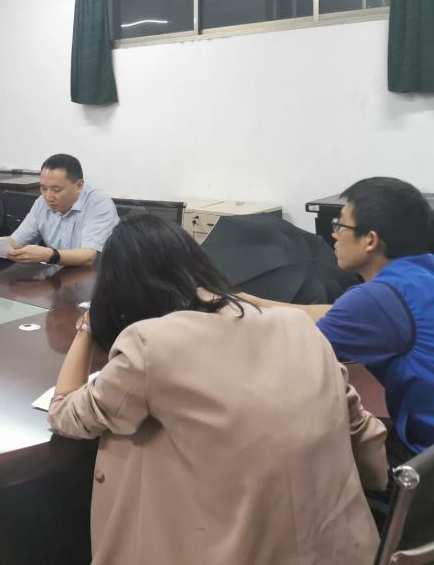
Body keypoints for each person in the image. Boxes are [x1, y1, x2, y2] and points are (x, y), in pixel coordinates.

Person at [49, 215, 388, 565]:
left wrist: (87, 327)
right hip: (346, 550)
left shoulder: (151, 344)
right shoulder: (299, 326)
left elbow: (65, 413)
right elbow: (359, 427)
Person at [245, 177, 434, 464]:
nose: (334, 235)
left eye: (340, 226)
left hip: (424, 457)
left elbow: (296, 350)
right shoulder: (419, 272)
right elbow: (333, 313)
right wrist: (252, 301)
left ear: (370, 240)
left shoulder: (375, 299)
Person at [0, 154, 118, 267]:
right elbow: (15, 241)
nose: (48, 196)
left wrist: (50, 255)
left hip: (98, 279)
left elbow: (89, 256)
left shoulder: (98, 203)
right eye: (43, 188)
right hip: (60, 276)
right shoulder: (41, 203)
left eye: (56, 190)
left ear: (79, 185)